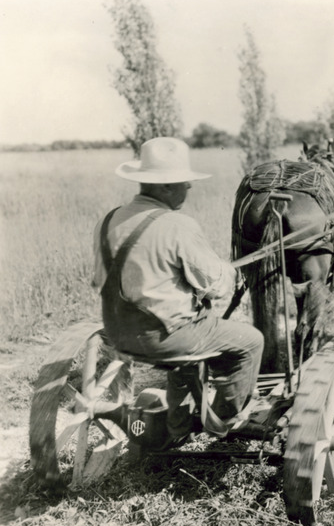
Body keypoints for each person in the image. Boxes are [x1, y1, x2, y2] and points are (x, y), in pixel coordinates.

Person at [92, 137, 264, 442]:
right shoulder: (177, 225)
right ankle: (225, 419)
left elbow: (100, 280)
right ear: (165, 187)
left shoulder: (107, 221)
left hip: (118, 334)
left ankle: (178, 423)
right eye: (184, 181)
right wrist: (228, 271)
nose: (189, 187)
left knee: (185, 328)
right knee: (250, 340)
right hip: (168, 339)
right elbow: (218, 287)